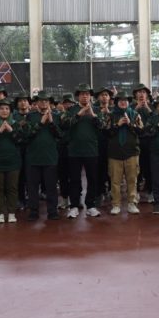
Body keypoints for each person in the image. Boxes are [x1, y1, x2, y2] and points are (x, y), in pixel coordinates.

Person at [60, 84, 104, 219]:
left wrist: (93, 115)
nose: (85, 96)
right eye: (82, 94)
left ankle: (90, 206)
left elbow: (103, 126)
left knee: (92, 179)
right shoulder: (71, 110)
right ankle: (74, 206)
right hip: (74, 151)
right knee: (74, 179)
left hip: (91, 150)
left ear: (90, 96)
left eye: (87, 94)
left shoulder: (97, 110)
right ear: (78, 96)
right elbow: (64, 125)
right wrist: (79, 114)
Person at [20, 92, 63, 221]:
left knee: (51, 187)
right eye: (41, 100)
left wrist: (51, 123)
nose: (44, 103)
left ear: (49, 103)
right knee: (32, 187)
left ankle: (52, 211)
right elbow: (27, 135)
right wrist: (41, 123)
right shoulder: (30, 116)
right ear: (37, 103)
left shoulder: (56, 116)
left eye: (46, 101)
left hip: (50, 157)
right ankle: (33, 211)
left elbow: (60, 135)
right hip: (33, 158)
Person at [105, 90, 142, 215]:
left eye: (125, 100)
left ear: (129, 102)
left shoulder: (135, 115)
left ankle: (132, 203)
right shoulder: (111, 115)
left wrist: (130, 124)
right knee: (115, 181)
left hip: (132, 153)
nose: (123, 102)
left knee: (132, 180)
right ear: (116, 102)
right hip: (115, 154)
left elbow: (142, 131)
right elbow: (106, 132)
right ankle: (116, 204)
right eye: (120, 100)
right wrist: (117, 124)